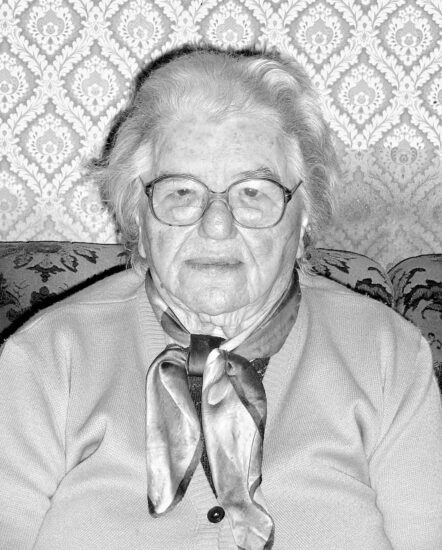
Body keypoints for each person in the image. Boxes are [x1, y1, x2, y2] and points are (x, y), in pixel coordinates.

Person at [0, 45, 441, 550]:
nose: (216, 225)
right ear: (138, 221)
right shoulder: (46, 359)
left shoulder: (387, 355)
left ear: (303, 221)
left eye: (253, 192)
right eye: (181, 192)